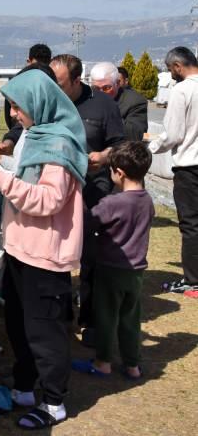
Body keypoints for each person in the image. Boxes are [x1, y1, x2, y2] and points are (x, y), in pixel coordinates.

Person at [0, 69, 88, 429]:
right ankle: (25, 387)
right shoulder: (38, 136)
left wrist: (3, 180)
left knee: (45, 332)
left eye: (18, 106)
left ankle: (54, 402)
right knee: (19, 324)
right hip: (20, 249)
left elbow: (49, 200)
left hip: (45, 254)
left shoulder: (60, 143)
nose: (14, 114)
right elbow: (28, 176)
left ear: (38, 103)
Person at [50, 54, 125, 337]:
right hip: (56, 188)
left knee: (91, 255)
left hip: (94, 186)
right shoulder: (51, 102)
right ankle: (60, 314)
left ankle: (90, 318)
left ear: (76, 80)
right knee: (56, 252)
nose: (55, 89)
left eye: (60, 83)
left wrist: (104, 157)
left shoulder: (104, 105)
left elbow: (119, 145)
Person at [72, 141, 154, 380]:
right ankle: (132, 365)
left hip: (110, 269)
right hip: (136, 270)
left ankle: (102, 362)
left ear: (119, 173)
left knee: (106, 318)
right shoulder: (147, 201)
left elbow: (87, 224)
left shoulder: (112, 203)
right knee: (130, 319)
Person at [149, 46, 198, 293]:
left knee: (190, 225)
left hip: (189, 166)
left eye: (170, 70)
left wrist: (150, 148)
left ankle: (192, 280)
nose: (171, 75)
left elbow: (173, 134)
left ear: (178, 66)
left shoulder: (182, 90)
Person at [0, 45, 54, 155]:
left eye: (17, 106)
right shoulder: (51, 82)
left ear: (28, 60)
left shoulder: (56, 143)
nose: (13, 113)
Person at [90, 62, 148, 142]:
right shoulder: (88, 97)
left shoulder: (135, 101)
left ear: (117, 84)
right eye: (96, 88)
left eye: (106, 88)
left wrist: (108, 114)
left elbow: (136, 134)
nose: (101, 93)